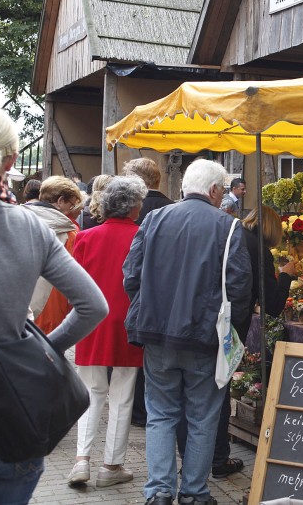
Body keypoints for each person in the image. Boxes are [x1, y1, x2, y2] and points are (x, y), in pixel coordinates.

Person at [0, 107, 107, 505]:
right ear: (12, 161)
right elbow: (93, 306)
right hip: (18, 429)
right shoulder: (32, 226)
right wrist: (45, 349)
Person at [123, 158, 252, 505]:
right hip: (204, 337)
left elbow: (131, 275)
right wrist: (231, 333)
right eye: (221, 191)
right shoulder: (228, 226)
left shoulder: (153, 219)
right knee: (202, 417)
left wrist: (150, 309)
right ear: (214, 190)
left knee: (160, 414)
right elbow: (239, 287)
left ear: (184, 187)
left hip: (158, 333)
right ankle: (194, 492)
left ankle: (160, 491)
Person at [184, 204, 297, 480]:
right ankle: (218, 459)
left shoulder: (230, 235)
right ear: (272, 229)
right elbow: (273, 304)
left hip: (198, 322)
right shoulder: (259, 249)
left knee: (194, 396)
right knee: (219, 392)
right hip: (227, 329)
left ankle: (193, 460)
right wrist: (286, 275)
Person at [67, 176, 147, 489]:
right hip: (128, 321)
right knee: (122, 395)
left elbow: (73, 285)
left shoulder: (85, 237)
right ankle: (111, 464)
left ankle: (81, 459)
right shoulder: (142, 236)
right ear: (134, 207)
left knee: (91, 392)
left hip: (91, 321)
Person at [122, 156, 175, 427]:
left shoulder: (132, 211)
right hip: (167, 296)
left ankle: (137, 410)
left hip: (136, 294)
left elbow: (132, 268)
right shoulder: (172, 208)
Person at [24, 174, 83, 331]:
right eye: (72, 204)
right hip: (52, 314)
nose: (73, 210)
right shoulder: (69, 234)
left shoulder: (15, 220)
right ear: (60, 201)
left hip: (16, 311)